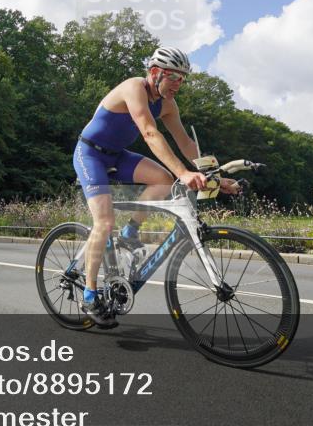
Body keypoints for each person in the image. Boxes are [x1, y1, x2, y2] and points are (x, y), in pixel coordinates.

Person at [73, 46, 240, 328]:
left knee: (163, 180)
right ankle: (90, 294)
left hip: (117, 155)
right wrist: (184, 173)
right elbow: (150, 133)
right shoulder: (133, 88)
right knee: (104, 221)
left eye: (183, 79)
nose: (179, 84)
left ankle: (131, 231)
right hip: (90, 153)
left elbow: (186, 144)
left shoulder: (167, 104)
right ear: (154, 73)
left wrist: (214, 176)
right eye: (174, 77)